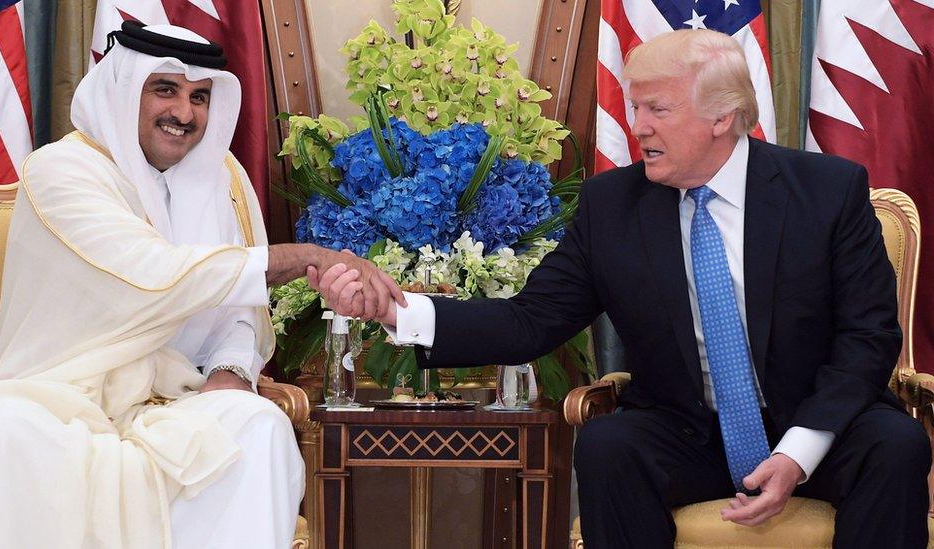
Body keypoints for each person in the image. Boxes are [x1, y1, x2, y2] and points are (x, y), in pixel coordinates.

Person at [311, 29, 930, 548]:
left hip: (815, 426)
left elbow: (867, 337)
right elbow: (532, 321)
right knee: (610, 444)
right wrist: (398, 311)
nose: (636, 127)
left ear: (723, 116)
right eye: (634, 108)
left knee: (895, 445)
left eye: (656, 109)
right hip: (688, 433)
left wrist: (797, 453)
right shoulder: (613, 206)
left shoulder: (827, 191)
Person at [0, 22, 402, 549]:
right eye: (164, 89)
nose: (185, 114)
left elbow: (239, 312)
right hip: (59, 398)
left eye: (200, 96)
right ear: (124, 90)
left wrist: (230, 371)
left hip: (177, 399)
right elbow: (153, 274)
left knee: (257, 426)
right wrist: (304, 256)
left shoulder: (223, 179)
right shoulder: (62, 170)